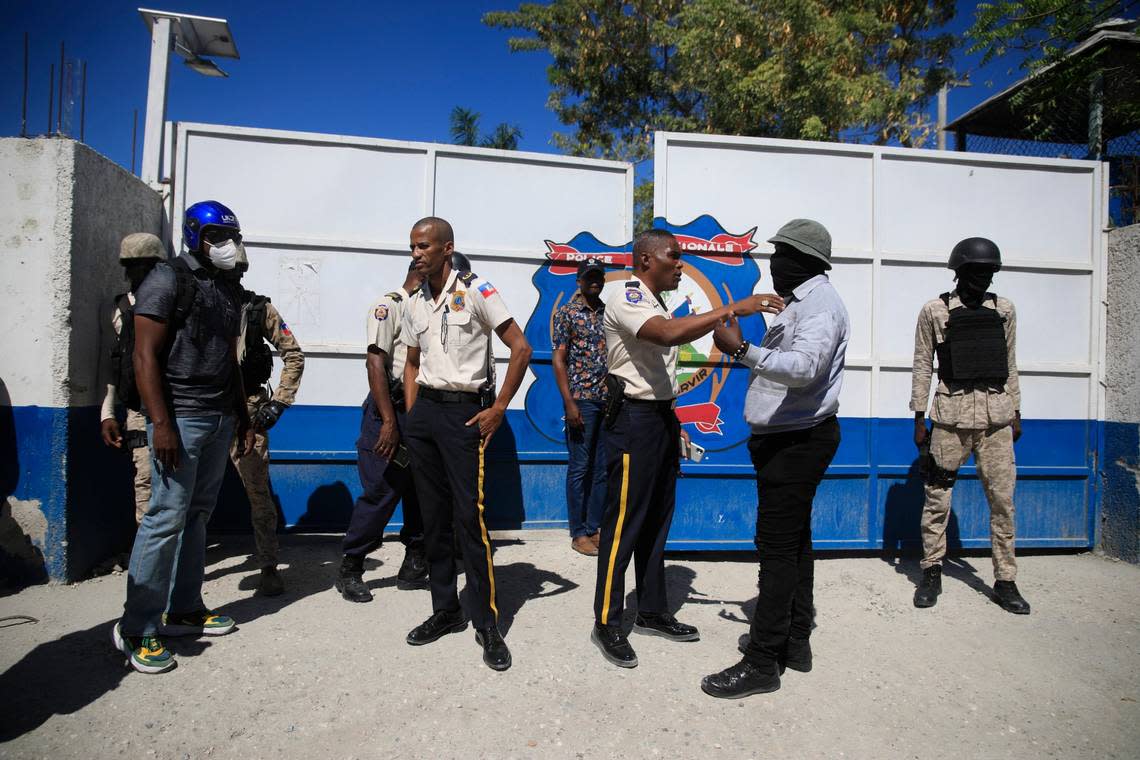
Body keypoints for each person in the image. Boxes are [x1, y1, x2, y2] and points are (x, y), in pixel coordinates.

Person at [591, 229, 783, 669]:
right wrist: (735, 306)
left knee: (658, 519)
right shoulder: (626, 295)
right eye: (672, 257)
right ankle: (607, 621)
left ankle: (653, 611)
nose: (679, 264)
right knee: (623, 524)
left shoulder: (655, 298)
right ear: (644, 260)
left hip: (659, 417)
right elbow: (666, 334)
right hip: (633, 421)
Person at [702, 218, 848, 699]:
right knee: (796, 543)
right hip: (785, 438)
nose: (772, 262)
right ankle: (795, 642)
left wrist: (741, 349)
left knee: (777, 548)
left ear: (803, 261)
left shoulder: (821, 307)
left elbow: (805, 369)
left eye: (781, 254)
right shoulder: (800, 305)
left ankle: (763, 661)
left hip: (798, 441)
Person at [112, 200, 254, 674]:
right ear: (194, 237)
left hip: (218, 417)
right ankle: (138, 626)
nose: (225, 246)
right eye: (215, 237)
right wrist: (163, 423)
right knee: (165, 516)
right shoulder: (167, 280)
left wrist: (242, 415)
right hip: (180, 418)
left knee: (197, 513)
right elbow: (144, 357)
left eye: (230, 237)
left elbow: (228, 358)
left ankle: (186, 607)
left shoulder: (226, 287)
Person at [400, 217, 533, 671]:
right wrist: (411, 416)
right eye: (413, 246)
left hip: (463, 412)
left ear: (446, 248)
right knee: (431, 518)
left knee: (468, 519)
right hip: (426, 417)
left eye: (423, 246)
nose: (416, 253)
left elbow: (521, 347)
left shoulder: (477, 289)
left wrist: (498, 408)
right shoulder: (415, 301)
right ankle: (446, 610)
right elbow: (412, 363)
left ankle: (487, 622)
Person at [909, 237, 1029, 615]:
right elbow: (922, 365)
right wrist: (918, 416)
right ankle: (931, 570)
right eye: (977, 272)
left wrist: (1016, 413)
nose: (984, 280)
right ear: (959, 272)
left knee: (1002, 502)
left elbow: (1010, 363)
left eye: (989, 273)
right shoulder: (935, 311)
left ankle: (1005, 579)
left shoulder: (1004, 310)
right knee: (937, 497)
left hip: (995, 419)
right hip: (950, 420)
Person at [335, 261, 429, 602]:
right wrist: (389, 422)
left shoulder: (431, 309)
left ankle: (414, 565)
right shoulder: (389, 306)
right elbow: (375, 363)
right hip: (390, 412)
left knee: (422, 491)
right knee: (382, 490)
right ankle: (351, 567)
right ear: (421, 273)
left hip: (422, 413)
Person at [228, 243, 305, 597]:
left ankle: (268, 565)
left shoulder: (258, 310)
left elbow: (293, 353)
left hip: (249, 407)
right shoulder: (194, 306)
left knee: (258, 493)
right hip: (205, 409)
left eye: (235, 271)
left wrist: (279, 402)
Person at [100, 233, 166, 524]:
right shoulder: (120, 309)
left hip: (173, 406)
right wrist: (107, 412)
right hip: (138, 409)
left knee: (177, 484)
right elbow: (113, 363)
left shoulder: (173, 303)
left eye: (145, 266)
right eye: (133, 266)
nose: (137, 273)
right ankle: (147, 560)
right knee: (144, 481)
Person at [552, 258, 609, 557]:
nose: (595, 282)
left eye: (599, 276)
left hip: (606, 399)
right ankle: (578, 533)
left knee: (601, 469)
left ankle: (595, 526)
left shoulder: (607, 313)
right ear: (579, 280)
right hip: (582, 400)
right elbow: (559, 360)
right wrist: (569, 402)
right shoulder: (568, 314)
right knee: (579, 468)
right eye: (589, 277)